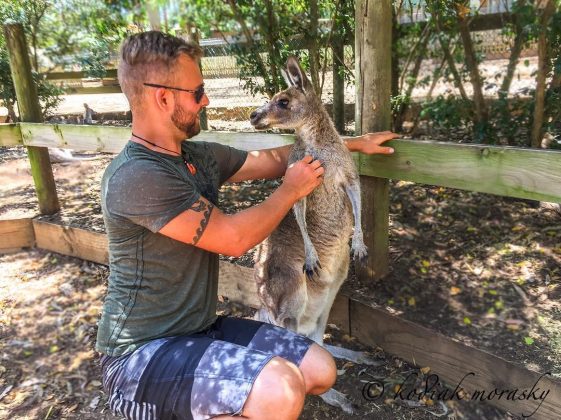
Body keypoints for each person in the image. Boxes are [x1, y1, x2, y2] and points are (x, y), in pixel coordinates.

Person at [96, 31, 398, 420]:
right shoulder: (137, 176)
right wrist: (290, 191)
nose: (206, 100)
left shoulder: (198, 156)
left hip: (199, 330)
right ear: (163, 96)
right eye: (197, 91)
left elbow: (276, 156)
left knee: (320, 371)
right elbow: (234, 238)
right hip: (141, 356)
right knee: (281, 391)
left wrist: (352, 144)